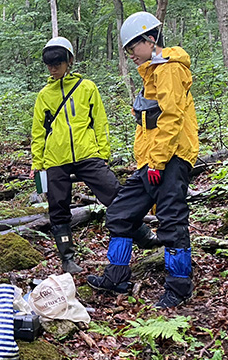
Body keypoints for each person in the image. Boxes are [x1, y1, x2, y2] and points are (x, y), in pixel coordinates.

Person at [87, 12, 199, 309]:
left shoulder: (169, 70)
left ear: (149, 39)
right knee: (120, 214)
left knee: (172, 221)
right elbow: (149, 123)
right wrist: (148, 162)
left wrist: (158, 162)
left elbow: (172, 118)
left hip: (170, 159)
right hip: (151, 162)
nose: (130, 56)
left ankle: (179, 288)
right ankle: (116, 277)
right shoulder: (152, 72)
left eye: (132, 48)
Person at [30, 37, 159, 275]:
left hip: (87, 154)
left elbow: (99, 122)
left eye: (58, 62)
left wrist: (103, 153)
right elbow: (38, 131)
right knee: (58, 207)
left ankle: (143, 236)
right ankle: (67, 258)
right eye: (49, 63)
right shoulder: (44, 96)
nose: (53, 67)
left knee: (115, 194)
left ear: (69, 61)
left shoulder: (86, 87)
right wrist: (38, 163)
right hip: (55, 158)